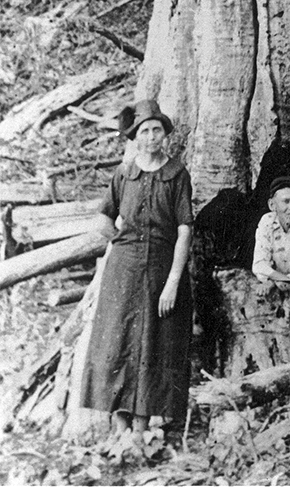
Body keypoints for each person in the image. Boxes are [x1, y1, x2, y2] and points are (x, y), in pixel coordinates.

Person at [80, 99, 193, 446]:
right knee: (117, 341)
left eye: (157, 129)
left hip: (162, 268)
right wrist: (119, 238)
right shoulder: (123, 174)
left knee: (154, 343)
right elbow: (102, 219)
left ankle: (143, 426)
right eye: (144, 131)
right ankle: (119, 426)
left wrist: (173, 281)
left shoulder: (177, 175)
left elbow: (185, 230)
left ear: (165, 134)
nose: (151, 137)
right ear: (135, 137)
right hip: (123, 270)